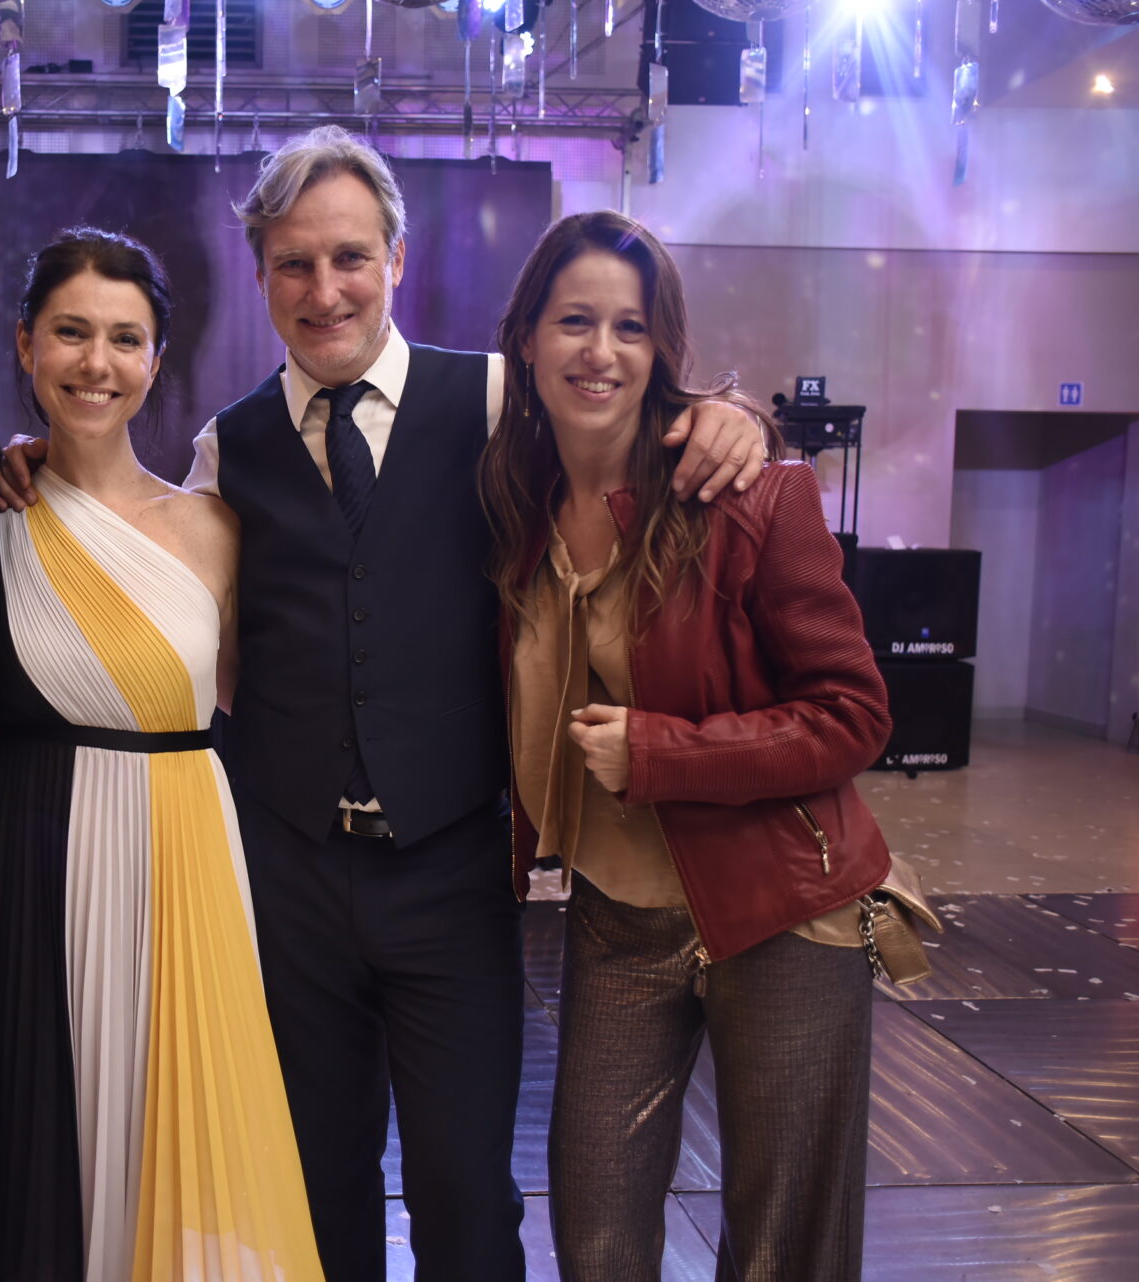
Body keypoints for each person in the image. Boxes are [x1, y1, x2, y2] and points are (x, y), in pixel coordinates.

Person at [0, 126, 768, 1282]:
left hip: (452, 871)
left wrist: (732, 415)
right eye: (294, 264)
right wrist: (32, 463)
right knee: (312, 1184)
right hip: (286, 878)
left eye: (350, 257)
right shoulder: (226, 448)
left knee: (466, 1191)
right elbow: (154, 565)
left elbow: (637, 438)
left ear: (397, 260)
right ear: (261, 274)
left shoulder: (500, 398)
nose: (325, 290)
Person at [484, 210, 929, 1280]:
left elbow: (855, 713)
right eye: (574, 320)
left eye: (630, 327)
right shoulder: (511, 506)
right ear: (528, 338)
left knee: (785, 1246)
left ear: (661, 349)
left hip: (782, 907)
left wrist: (663, 754)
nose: (600, 351)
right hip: (616, 916)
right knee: (595, 1226)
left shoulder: (750, 496)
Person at [0, 227, 324, 1281]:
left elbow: (256, 698)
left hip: (190, 852)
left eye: (124, 338)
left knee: (196, 1119)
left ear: (157, 360)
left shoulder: (215, 527)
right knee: (42, 1133)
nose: (96, 362)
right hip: (35, 857)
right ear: (26, 344)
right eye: (71, 332)